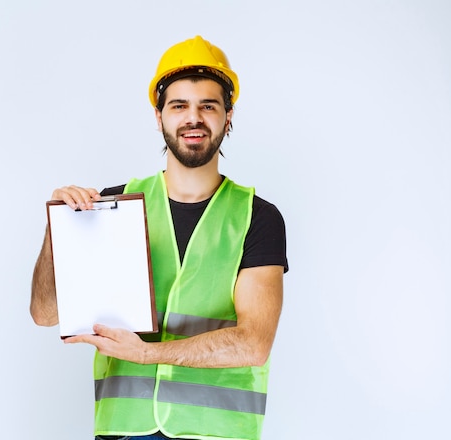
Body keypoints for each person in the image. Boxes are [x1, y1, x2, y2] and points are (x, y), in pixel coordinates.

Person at [30, 35, 288, 440]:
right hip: (124, 431)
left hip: (217, 433)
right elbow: (45, 313)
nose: (193, 118)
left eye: (208, 105)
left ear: (228, 115)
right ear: (159, 115)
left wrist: (147, 354)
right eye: (179, 105)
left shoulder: (257, 217)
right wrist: (56, 232)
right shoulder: (110, 207)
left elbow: (253, 343)